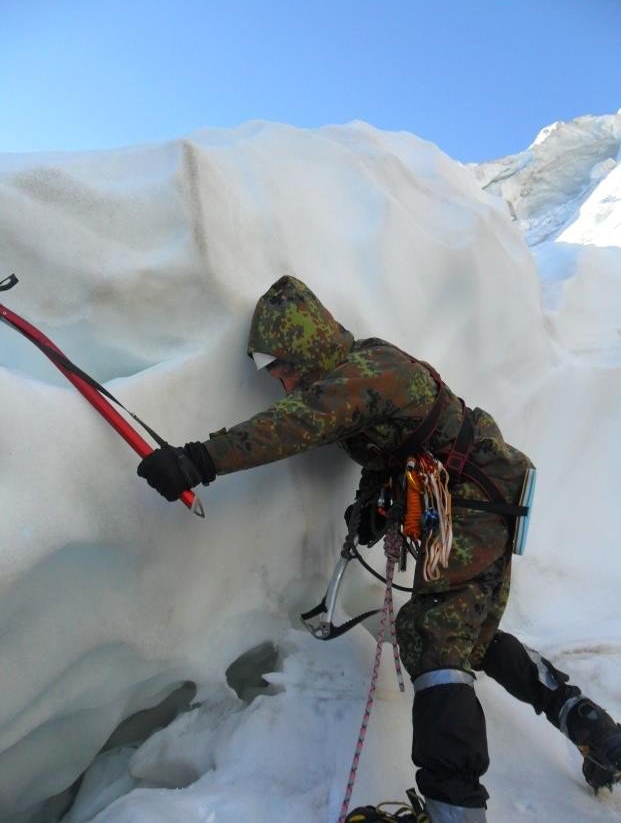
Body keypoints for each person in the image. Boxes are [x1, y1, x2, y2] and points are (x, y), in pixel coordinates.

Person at [137, 275, 621, 822]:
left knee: (432, 633)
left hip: (475, 501)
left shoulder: (369, 370)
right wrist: (372, 504)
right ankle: (596, 733)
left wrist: (200, 459)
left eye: (284, 365)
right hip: (478, 499)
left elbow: (299, 422)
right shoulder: (364, 375)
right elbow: (397, 443)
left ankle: (453, 808)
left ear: (308, 345)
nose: (281, 381)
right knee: (470, 636)